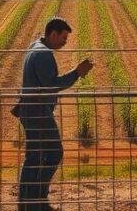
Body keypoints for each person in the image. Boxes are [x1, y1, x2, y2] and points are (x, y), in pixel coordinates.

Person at [11, 17, 93, 211]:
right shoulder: (43, 54)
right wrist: (77, 72)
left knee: (33, 157)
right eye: (63, 37)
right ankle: (37, 198)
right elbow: (52, 85)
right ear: (53, 34)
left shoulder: (35, 46)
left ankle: (26, 202)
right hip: (38, 112)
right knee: (54, 153)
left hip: (30, 110)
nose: (65, 41)